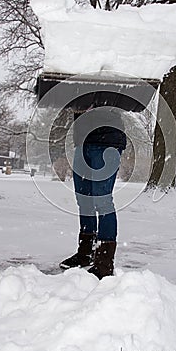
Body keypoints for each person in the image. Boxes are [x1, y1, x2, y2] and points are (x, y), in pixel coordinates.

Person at [59, 106, 126, 279]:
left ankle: (104, 263)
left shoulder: (113, 81)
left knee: (102, 201)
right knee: (84, 200)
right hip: (83, 141)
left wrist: (100, 104)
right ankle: (85, 253)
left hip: (107, 141)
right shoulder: (80, 82)